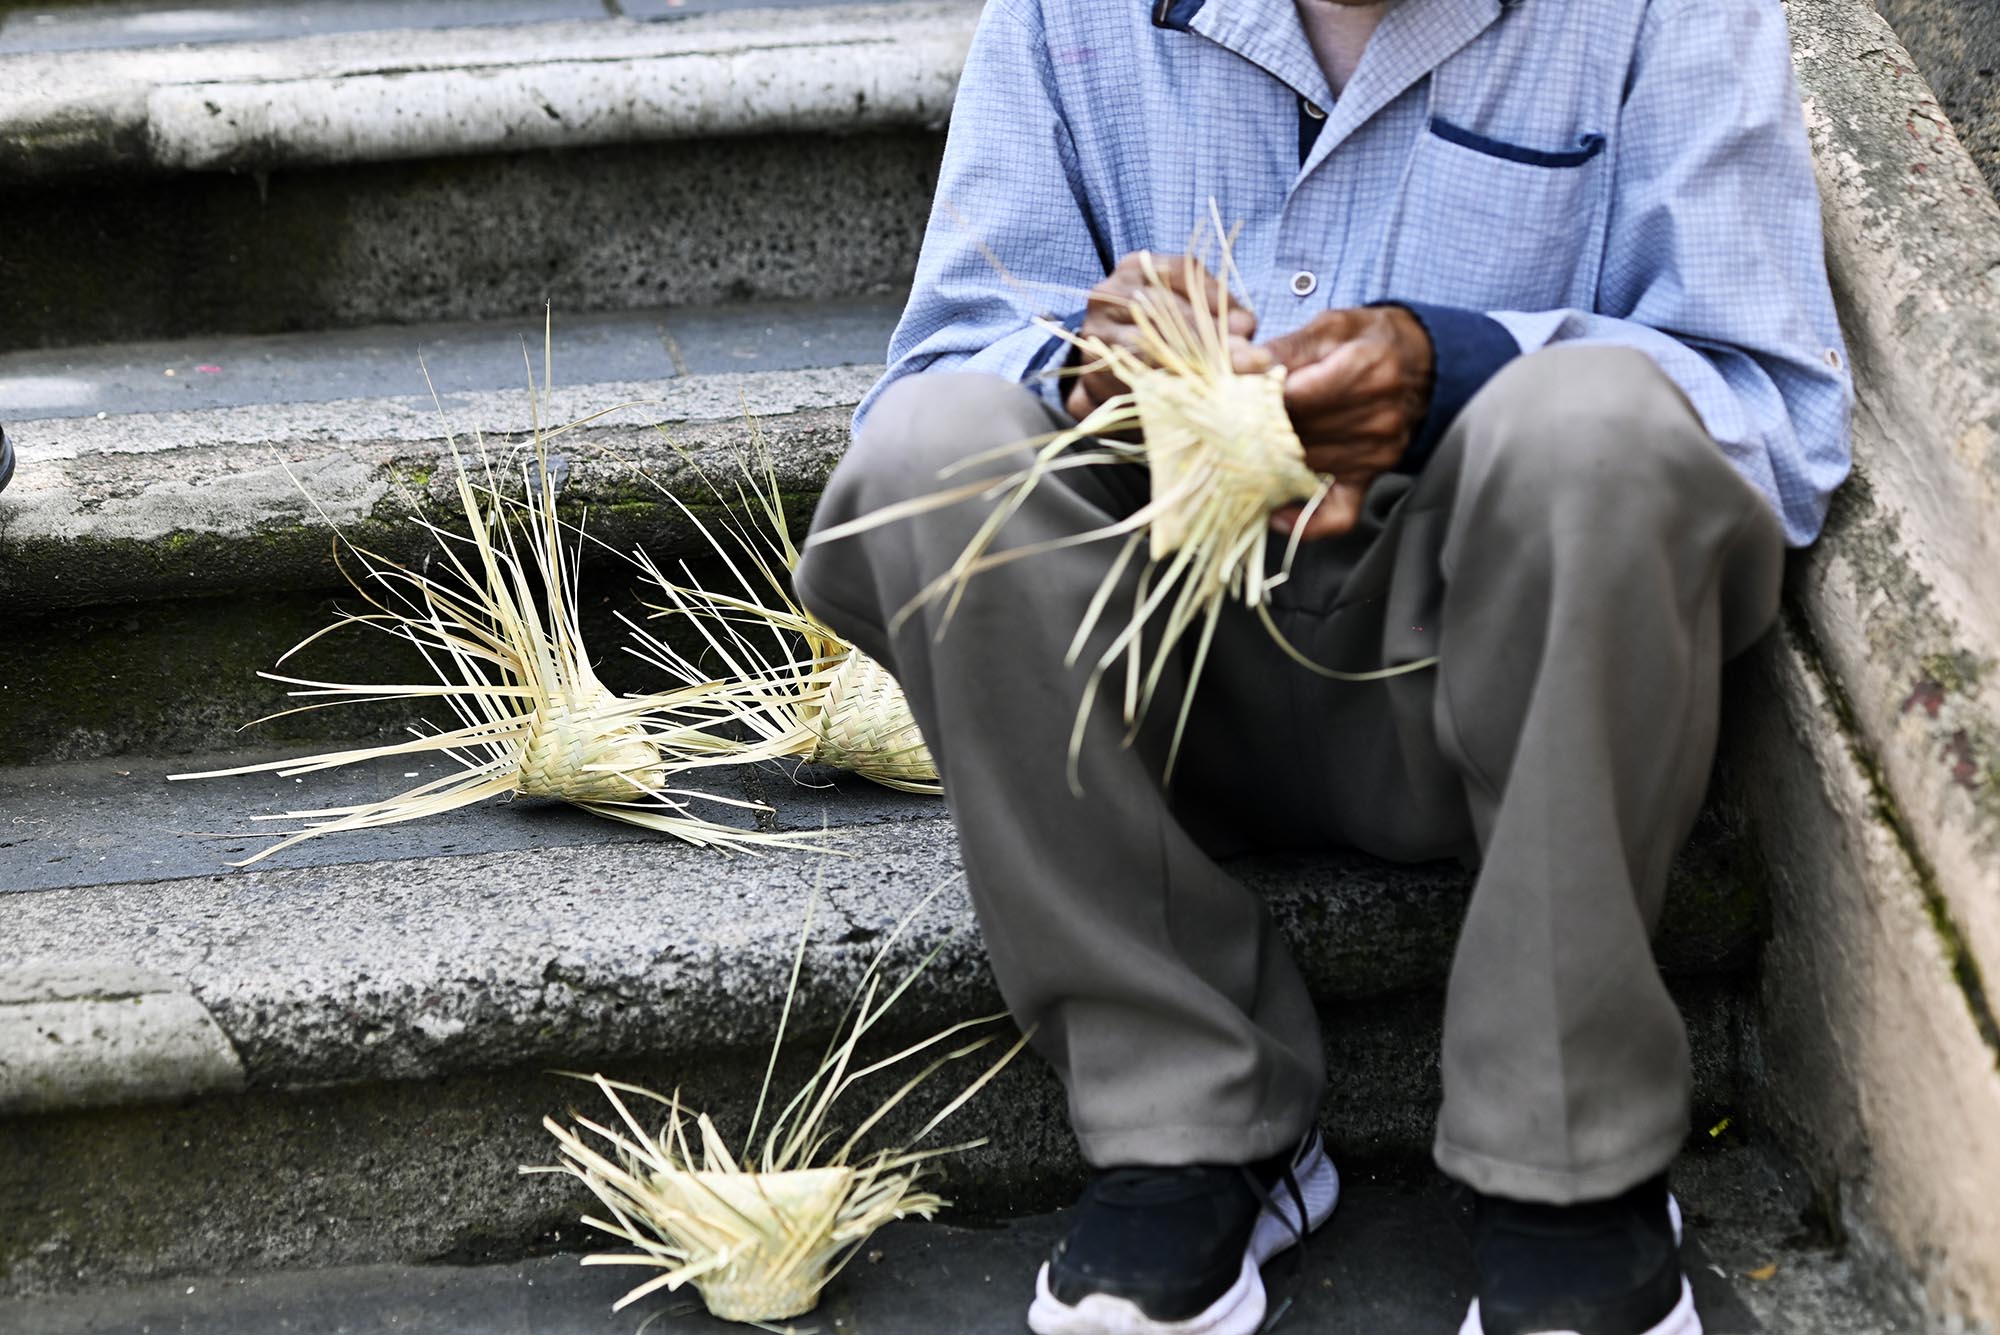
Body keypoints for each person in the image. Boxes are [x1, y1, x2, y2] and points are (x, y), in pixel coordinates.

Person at [793, 0, 1852, 1330]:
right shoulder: (1068, 18)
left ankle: (1565, 1158)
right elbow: (926, 379)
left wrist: (1458, 369)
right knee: (935, 448)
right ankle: (1192, 1115)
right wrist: (1083, 372)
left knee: (1599, 427)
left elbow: (1773, 415)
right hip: (1156, 703)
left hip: (1473, 683)